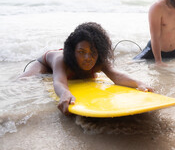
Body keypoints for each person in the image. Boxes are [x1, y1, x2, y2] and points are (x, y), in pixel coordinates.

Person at [19, 22, 153, 115]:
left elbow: (116, 75)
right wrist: (65, 94)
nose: (88, 57)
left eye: (93, 52)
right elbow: (59, 81)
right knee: (24, 81)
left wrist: (138, 83)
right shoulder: (62, 59)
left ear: (99, 51)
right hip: (46, 65)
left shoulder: (100, 61)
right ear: (73, 51)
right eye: (82, 52)